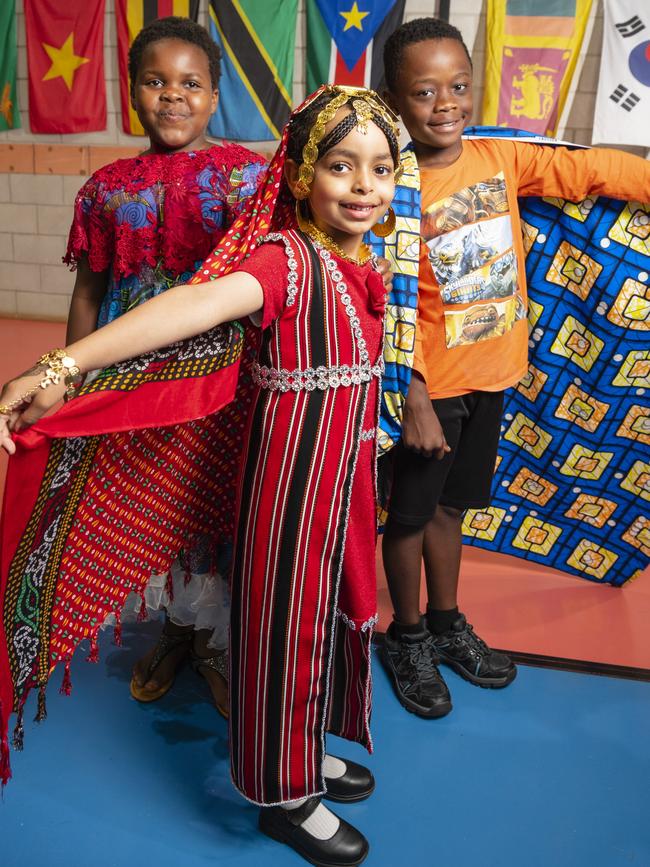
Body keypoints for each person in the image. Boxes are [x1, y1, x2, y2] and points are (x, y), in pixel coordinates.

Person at [0, 85, 402, 867]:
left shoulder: (357, 258)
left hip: (341, 480)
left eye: (380, 169)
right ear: (298, 175)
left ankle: (299, 747)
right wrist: (63, 362)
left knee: (327, 613)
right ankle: (283, 795)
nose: (363, 186)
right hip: (291, 488)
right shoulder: (283, 261)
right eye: (341, 166)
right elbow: (190, 305)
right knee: (284, 625)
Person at [375, 16, 650, 718]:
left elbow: (585, 170)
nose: (446, 104)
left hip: (490, 378)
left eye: (458, 86)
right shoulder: (385, 192)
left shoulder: (499, 159)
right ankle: (403, 635)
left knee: (450, 509)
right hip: (425, 393)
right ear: (393, 100)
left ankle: (444, 621)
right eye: (425, 91)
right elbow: (377, 304)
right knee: (407, 517)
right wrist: (411, 397)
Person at [64, 14, 267, 713]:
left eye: (190, 83)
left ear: (215, 96)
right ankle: (179, 628)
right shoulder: (106, 186)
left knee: (212, 501)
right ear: (132, 91)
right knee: (152, 501)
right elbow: (89, 289)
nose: (173, 97)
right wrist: (72, 379)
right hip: (134, 380)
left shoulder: (249, 178)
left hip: (222, 382)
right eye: (155, 81)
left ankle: (216, 637)